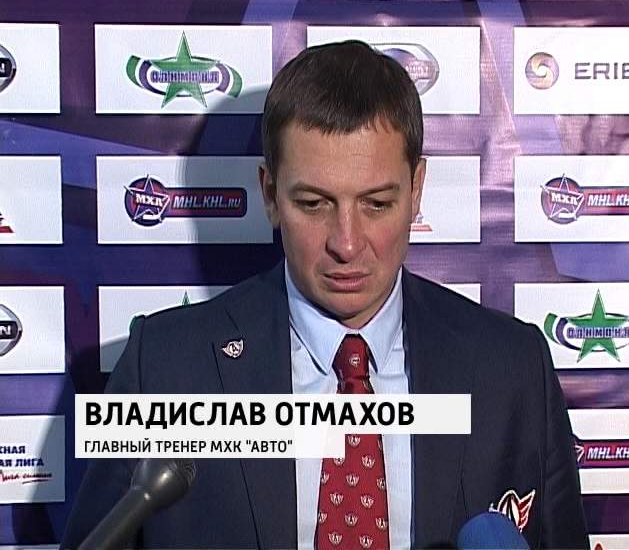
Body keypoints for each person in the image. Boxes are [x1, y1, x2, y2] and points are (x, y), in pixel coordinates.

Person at [61, 40, 588, 549]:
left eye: (377, 204)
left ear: (416, 189)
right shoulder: (164, 368)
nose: (347, 243)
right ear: (270, 193)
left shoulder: (512, 368)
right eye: (314, 204)